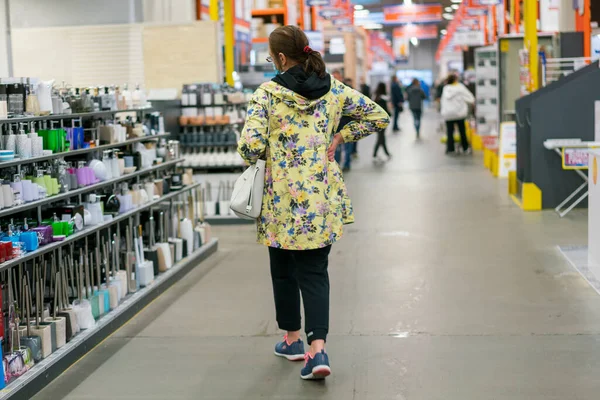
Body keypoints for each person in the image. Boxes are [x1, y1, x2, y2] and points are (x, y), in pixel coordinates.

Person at [238, 25, 389, 381]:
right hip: (321, 197)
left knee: (283, 270)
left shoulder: (268, 94)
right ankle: (316, 349)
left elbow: (249, 147)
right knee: (315, 274)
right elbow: (378, 116)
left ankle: (291, 339)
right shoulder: (333, 88)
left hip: (280, 200)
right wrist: (340, 135)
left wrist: (270, 152)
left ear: (278, 57)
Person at [440, 73, 475, 155]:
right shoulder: (460, 87)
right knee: (462, 131)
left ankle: (450, 149)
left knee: (449, 132)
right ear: (456, 79)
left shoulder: (446, 88)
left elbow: (443, 100)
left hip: (448, 114)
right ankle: (465, 148)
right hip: (459, 113)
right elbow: (470, 98)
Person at [372, 82, 391, 162]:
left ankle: (385, 153)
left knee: (381, 137)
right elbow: (385, 111)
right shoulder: (382, 99)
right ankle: (376, 154)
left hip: (376, 120)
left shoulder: (376, 97)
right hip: (382, 121)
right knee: (381, 137)